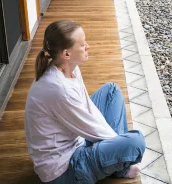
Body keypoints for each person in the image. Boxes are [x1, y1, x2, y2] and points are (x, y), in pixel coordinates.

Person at [25, 20, 145, 183]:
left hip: (76, 140)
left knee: (111, 91)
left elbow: (88, 108)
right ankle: (119, 166)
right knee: (136, 141)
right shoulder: (58, 88)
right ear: (66, 54)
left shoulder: (70, 68)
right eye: (82, 45)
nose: (88, 46)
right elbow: (88, 125)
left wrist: (115, 144)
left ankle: (117, 165)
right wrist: (118, 147)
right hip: (64, 169)